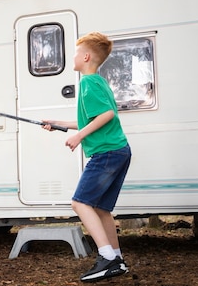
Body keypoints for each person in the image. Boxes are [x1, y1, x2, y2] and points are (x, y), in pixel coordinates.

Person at [43, 32, 131, 283]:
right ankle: (117, 259)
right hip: (119, 150)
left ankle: (108, 258)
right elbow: (91, 119)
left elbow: (106, 116)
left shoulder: (88, 84)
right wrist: (56, 123)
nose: (72, 56)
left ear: (86, 56)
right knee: (101, 209)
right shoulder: (98, 82)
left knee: (80, 203)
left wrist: (79, 136)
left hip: (106, 152)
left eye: (74, 52)